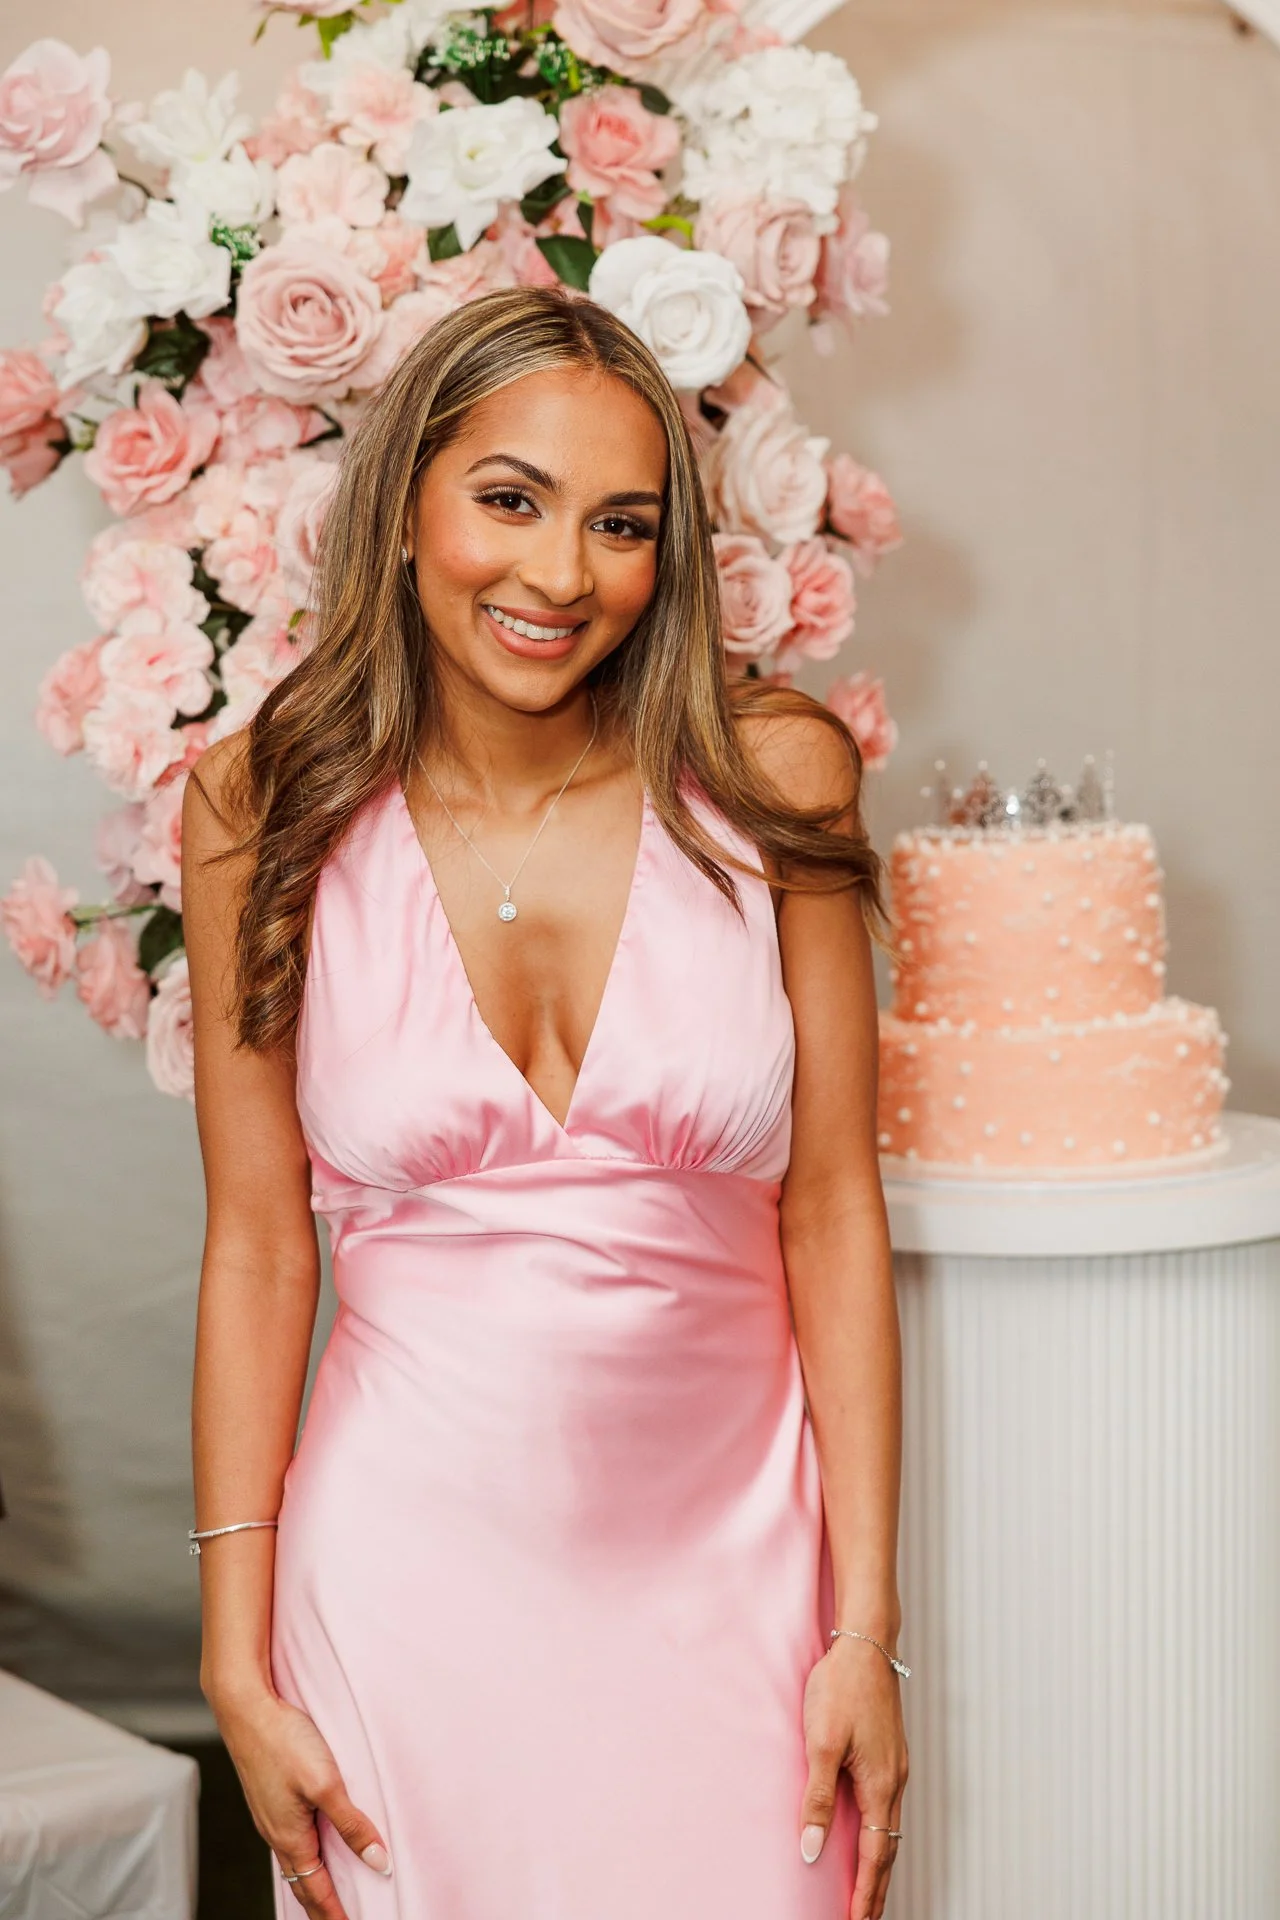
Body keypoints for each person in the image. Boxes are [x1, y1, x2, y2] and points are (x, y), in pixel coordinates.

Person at [183, 285, 908, 1920]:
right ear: (407, 503)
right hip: (398, 1598)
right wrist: (235, 1658)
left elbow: (834, 1210)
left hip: (741, 1596)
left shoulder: (777, 775)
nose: (562, 576)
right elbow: (255, 1249)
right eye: (508, 500)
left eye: (622, 524)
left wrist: (866, 1629)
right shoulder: (260, 804)